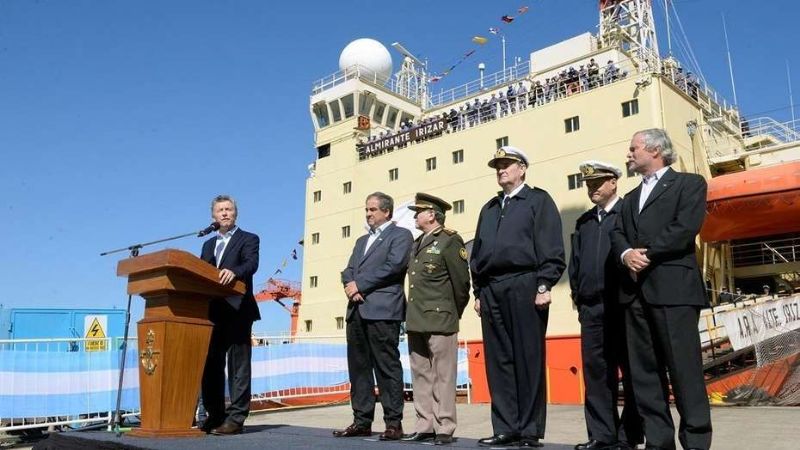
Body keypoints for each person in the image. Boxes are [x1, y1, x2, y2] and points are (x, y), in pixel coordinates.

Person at [611, 129, 712, 450]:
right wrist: (626, 254)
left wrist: (645, 254)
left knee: (685, 371)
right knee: (644, 377)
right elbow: (617, 234)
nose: (628, 154)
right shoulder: (628, 199)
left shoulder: (689, 184)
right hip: (635, 295)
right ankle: (659, 443)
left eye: (633, 148)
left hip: (674, 292)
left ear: (655, 150)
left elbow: (684, 228)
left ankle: (695, 442)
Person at [470, 146, 566, 448]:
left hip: (526, 283)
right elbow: (478, 253)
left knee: (528, 358)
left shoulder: (538, 200)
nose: (501, 170)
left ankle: (528, 430)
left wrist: (543, 285)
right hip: (492, 288)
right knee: (499, 361)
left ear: (522, 169)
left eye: (507, 164)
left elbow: (551, 247)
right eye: (497, 165)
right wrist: (479, 291)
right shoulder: (488, 208)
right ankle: (505, 428)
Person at [569, 161, 642, 450]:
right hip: (591, 309)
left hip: (622, 306)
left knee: (633, 371)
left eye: (597, 183)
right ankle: (601, 434)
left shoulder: (628, 214)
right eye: (588, 184)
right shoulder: (584, 222)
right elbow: (576, 263)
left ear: (613, 182)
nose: (592, 189)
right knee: (597, 374)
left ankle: (630, 434)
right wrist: (578, 296)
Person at [335, 192, 413, 441]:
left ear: (386, 211)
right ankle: (361, 420)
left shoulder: (401, 235)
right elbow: (348, 270)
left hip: (383, 310)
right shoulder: (360, 241)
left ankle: (393, 423)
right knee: (358, 368)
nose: (368, 214)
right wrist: (351, 285)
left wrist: (360, 285)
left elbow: (394, 266)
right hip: (356, 310)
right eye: (366, 210)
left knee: (386, 366)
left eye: (372, 210)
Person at [401, 193, 471, 446]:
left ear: (432, 214)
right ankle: (425, 424)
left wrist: (452, 312)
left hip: (441, 318)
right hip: (416, 319)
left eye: (418, 211)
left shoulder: (450, 241)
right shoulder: (417, 242)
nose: (414, 216)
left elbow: (462, 284)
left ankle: (444, 426)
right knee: (420, 374)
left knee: (443, 375)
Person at [199, 195, 260, 435]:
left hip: (238, 310)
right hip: (212, 312)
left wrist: (233, 272)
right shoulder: (207, 245)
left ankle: (236, 419)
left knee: (239, 367)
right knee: (210, 365)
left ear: (235, 214)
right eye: (220, 210)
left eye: (229, 209)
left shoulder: (249, 239)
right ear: (213, 216)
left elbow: (251, 264)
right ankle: (215, 415)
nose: (225, 213)